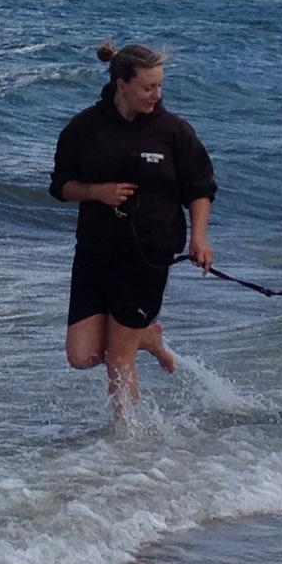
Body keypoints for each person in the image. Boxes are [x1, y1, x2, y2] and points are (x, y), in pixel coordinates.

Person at [49, 41, 216, 417]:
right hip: (94, 252)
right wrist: (97, 192)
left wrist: (199, 238)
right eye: (148, 87)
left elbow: (200, 188)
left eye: (160, 87)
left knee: (118, 356)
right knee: (81, 355)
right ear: (122, 85)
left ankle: (126, 442)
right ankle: (146, 335)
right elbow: (60, 186)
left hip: (148, 253)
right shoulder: (83, 129)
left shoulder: (173, 131)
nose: (156, 95)